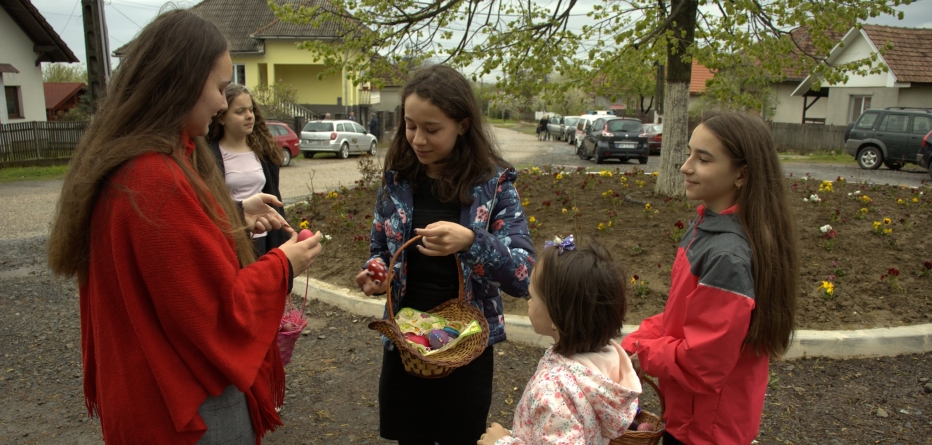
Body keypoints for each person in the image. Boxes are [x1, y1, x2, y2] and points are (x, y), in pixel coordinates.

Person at [45, 10, 324, 445]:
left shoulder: (132, 161)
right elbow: (215, 313)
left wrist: (232, 217)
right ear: (181, 81)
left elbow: (166, 256)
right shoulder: (154, 179)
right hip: (187, 407)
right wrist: (284, 264)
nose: (219, 102)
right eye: (217, 86)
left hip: (143, 395)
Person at [354, 64, 535, 444]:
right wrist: (376, 272)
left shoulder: (495, 187)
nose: (417, 139)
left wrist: (472, 241)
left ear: (463, 125)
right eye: (410, 125)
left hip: (464, 351)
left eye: (432, 129)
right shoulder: (398, 181)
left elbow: (524, 277)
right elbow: (379, 249)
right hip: (407, 346)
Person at [621, 112, 799, 445]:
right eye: (690, 153)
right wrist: (632, 342)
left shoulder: (726, 256)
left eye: (703, 159)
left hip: (705, 430)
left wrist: (643, 353)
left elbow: (702, 364)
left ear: (742, 174)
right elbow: (683, 318)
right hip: (691, 417)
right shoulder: (709, 227)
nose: (686, 166)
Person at [478, 235, 641, 445]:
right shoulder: (606, 360)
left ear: (555, 316)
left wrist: (501, 443)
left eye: (533, 297)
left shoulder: (553, 389)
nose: (528, 302)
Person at [207, 84, 288, 256]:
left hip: (264, 238)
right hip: (231, 240)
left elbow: (275, 196)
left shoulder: (264, 154)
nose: (249, 116)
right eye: (240, 111)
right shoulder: (209, 156)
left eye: (250, 110)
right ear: (221, 117)